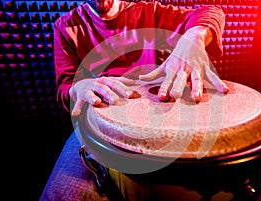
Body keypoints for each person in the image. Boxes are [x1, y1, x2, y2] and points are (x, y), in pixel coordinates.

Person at [40, 0, 228, 200]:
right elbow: (65, 87)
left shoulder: (150, 11)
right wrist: (79, 87)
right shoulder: (66, 26)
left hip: (159, 114)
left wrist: (195, 35)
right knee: (61, 195)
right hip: (96, 120)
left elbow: (211, 11)